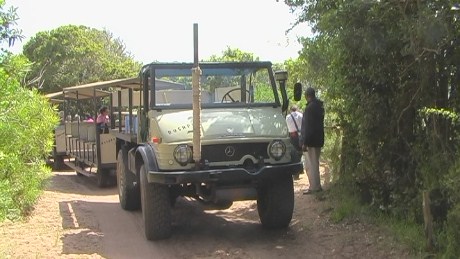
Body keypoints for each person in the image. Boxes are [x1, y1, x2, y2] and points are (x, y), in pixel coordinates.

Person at [301, 87, 324, 194]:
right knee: (315, 163)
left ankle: (314, 187)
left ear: (307, 96)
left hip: (311, 141)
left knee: (310, 165)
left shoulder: (309, 108)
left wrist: (305, 142)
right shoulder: (319, 107)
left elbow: (308, 127)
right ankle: (316, 186)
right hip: (318, 139)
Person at [286, 105, 309, 179]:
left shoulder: (288, 117)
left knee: (294, 153)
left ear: (290, 110)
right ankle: (298, 171)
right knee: (300, 153)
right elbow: (305, 126)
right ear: (297, 109)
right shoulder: (301, 115)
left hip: (292, 136)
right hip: (300, 136)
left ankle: (297, 172)